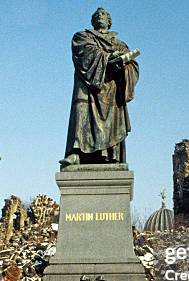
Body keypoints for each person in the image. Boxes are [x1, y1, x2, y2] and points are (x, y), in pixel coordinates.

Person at [60, 7, 140, 168]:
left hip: (111, 89)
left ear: (109, 21)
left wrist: (124, 65)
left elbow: (133, 68)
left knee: (112, 122)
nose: (99, 15)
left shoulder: (119, 44)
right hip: (88, 86)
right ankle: (76, 153)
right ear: (92, 20)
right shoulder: (82, 36)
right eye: (96, 14)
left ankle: (110, 155)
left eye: (103, 14)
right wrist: (109, 57)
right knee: (81, 113)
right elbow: (84, 53)